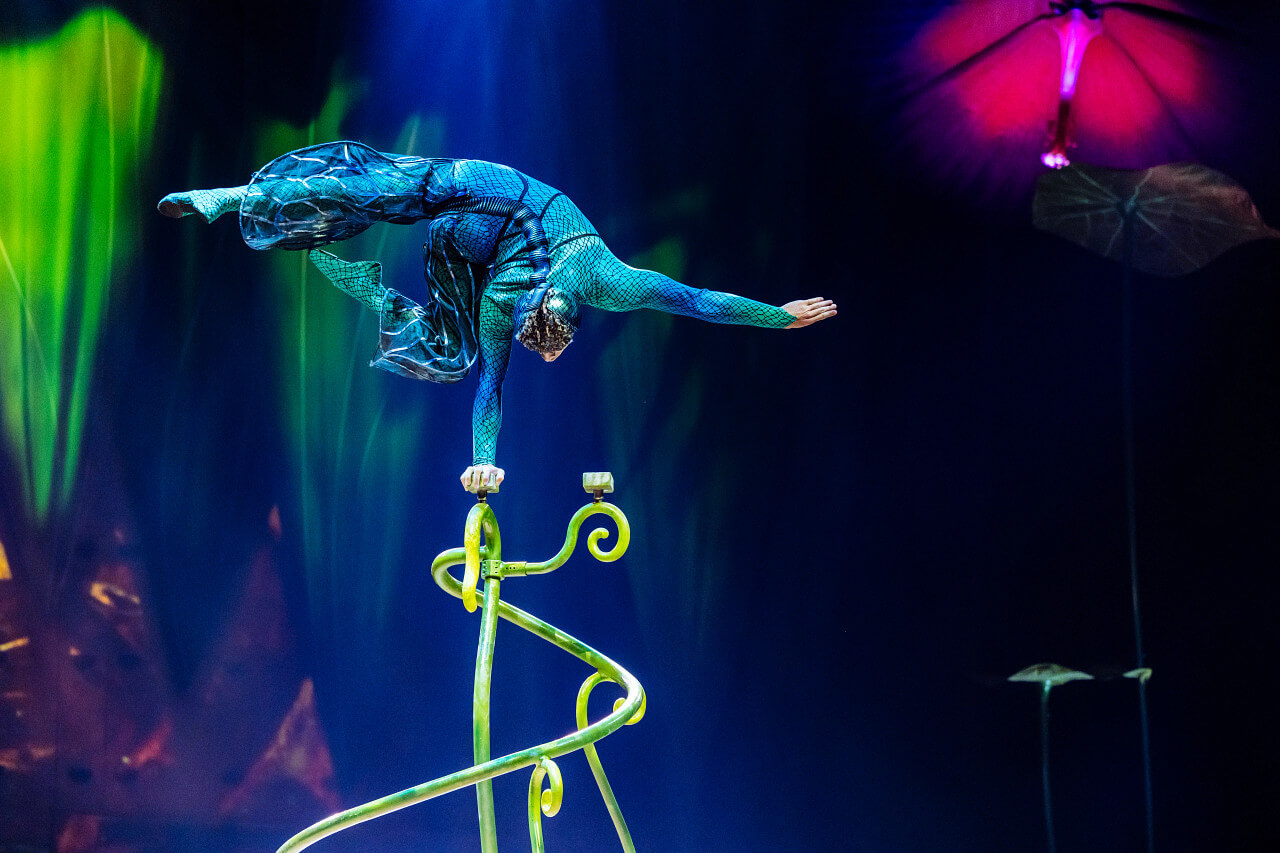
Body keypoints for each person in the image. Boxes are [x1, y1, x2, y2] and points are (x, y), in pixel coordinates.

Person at [159, 141, 836, 492]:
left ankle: (303, 246)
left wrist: (485, 466)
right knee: (386, 200)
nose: (546, 354)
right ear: (555, 326)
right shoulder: (601, 282)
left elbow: (697, 300)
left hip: (471, 229)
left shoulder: (513, 302)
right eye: (548, 350)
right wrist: (777, 317)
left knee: (441, 324)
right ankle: (235, 200)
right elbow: (697, 301)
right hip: (495, 199)